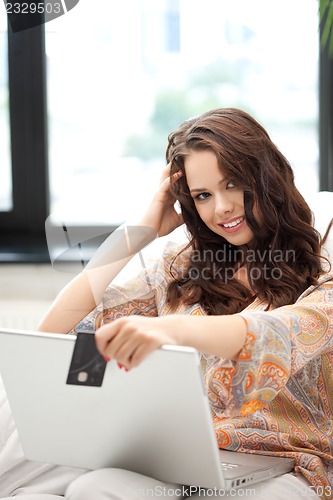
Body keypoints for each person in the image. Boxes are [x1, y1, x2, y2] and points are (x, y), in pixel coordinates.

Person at [37, 108, 333, 500]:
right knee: (95, 488)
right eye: (203, 196)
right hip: (188, 457)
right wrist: (138, 235)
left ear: (267, 177)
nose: (222, 207)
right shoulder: (181, 268)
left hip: (286, 464)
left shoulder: (321, 262)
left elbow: (276, 335)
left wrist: (169, 330)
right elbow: (54, 333)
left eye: (234, 183)